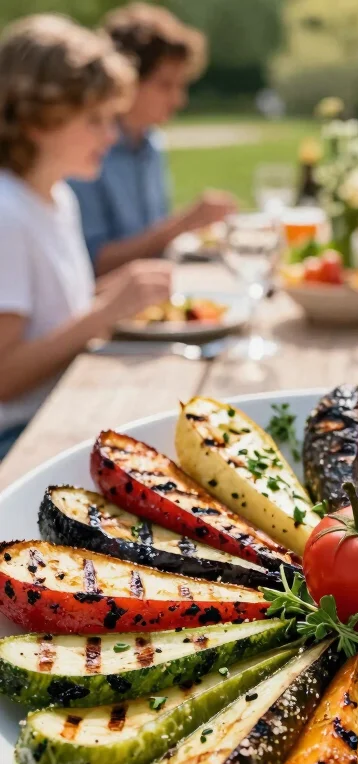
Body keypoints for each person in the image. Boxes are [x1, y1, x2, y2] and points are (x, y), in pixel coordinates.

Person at [0, 15, 173, 459]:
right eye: (95, 120)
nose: (111, 135)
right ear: (39, 120)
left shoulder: (56, 197)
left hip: (63, 409)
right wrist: (106, 312)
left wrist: (117, 292)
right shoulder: (7, 213)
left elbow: (51, 317)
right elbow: (5, 377)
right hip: (21, 437)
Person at [70, 4, 236, 275]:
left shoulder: (151, 143)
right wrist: (183, 224)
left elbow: (153, 243)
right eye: (165, 85)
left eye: (181, 85)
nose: (178, 100)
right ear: (126, 81)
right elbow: (91, 263)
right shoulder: (87, 149)